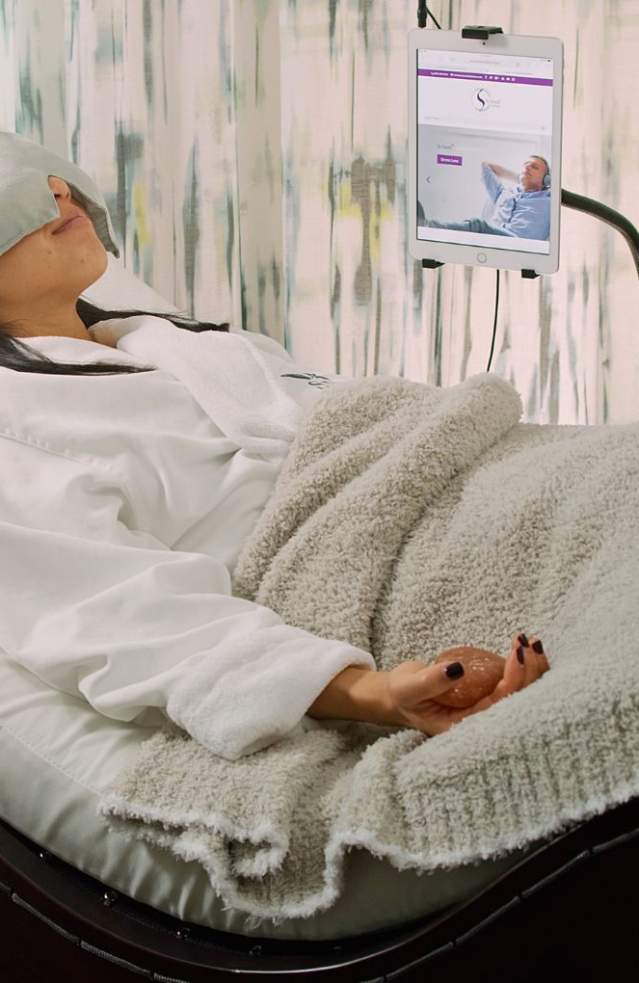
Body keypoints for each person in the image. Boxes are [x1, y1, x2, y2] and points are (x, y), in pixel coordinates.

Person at [0, 174, 549, 762]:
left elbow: (350, 423)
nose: (57, 187)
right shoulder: (16, 429)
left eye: (47, 176)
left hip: (484, 478)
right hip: (372, 561)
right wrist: (373, 691)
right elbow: (112, 613)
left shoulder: (167, 340)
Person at [419, 155, 551, 240]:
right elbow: (486, 166)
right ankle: (429, 233)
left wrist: (542, 181)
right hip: (494, 239)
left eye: (534, 167)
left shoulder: (549, 199)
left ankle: (427, 226)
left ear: (546, 179)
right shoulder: (504, 193)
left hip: (520, 243)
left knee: (477, 225)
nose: (527, 167)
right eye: (525, 165)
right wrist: (520, 177)